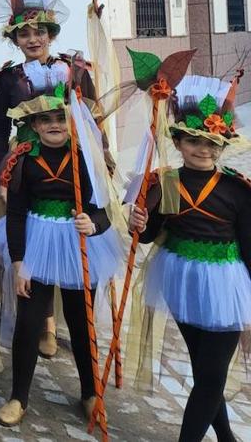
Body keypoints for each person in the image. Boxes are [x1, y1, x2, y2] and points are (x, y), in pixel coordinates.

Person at [0, 59, 122, 427]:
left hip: (80, 245)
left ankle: (90, 392)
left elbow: (104, 213)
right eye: (45, 120)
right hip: (36, 242)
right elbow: (15, 214)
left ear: (72, 121)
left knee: (82, 323)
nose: (54, 126)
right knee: (29, 322)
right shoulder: (24, 161)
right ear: (33, 125)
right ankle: (18, 397)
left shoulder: (85, 160)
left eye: (61, 119)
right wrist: (18, 263)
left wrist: (91, 223)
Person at [128, 74, 251, 442]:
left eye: (213, 143)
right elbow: (151, 236)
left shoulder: (237, 189)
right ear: (178, 141)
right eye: (195, 141)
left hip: (225, 285)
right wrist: (140, 221)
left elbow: (249, 245)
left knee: (211, 376)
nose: (204, 150)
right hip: (181, 279)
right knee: (206, 373)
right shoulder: (164, 181)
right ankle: (227, 438)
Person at [0, 0, 93, 358]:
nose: (33, 39)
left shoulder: (73, 71)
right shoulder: (8, 80)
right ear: (15, 40)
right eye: (25, 34)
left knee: (64, 237)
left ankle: (62, 323)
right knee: (30, 242)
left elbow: (91, 121)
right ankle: (41, 320)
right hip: (25, 164)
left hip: (67, 162)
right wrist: (3, 173)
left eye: (40, 32)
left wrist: (101, 165)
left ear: (51, 34)